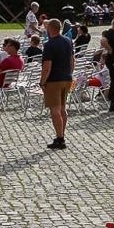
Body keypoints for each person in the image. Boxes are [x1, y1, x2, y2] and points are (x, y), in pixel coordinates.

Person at [41, 18, 75, 150]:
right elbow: (72, 60)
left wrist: (42, 82)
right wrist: (69, 73)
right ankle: (62, 134)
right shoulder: (68, 41)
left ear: (50, 28)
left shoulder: (49, 45)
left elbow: (47, 67)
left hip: (54, 80)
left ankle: (60, 138)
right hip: (67, 78)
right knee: (62, 108)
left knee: (55, 110)